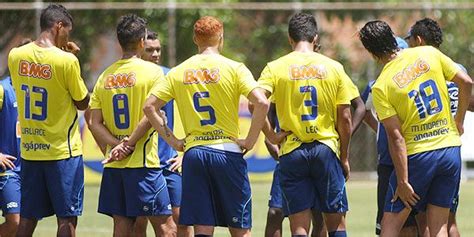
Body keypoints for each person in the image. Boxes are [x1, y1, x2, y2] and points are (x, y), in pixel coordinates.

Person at [110, 16, 269, 237]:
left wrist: (174, 141)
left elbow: (149, 107)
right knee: (239, 226)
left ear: (195, 39)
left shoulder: (179, 71)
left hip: (194, 155)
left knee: (202, 227)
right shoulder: (235, 68)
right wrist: (250, 141)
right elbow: (261, 102)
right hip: (227, 152)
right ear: (220, 37)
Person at [359, 20, 472, 236]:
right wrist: (458, 121)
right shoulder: (428, 53)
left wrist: (402, 181)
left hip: (418, 156)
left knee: (390, 225)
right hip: (450, 150)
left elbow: (396, 138)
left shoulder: (382, 85)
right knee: (439, 226)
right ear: (393, 38)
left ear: (371, 53)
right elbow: (466, 82)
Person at [259, 13, 352, 237]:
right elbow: (346, 117)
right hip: (325, 148)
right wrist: (344, 156)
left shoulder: (275, 67)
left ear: (290, 39)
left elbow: (257, 103)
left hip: (292, 150)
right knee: (335, 223)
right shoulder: (334, 67)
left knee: (299, 227)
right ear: (315, 37)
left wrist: (271, 136)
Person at [88, 14, 176, 237]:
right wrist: (129, 144)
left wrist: (116, 144)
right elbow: (151, 112)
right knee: (167, 228)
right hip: (143, 166)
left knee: (122, 226)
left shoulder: (104, 77)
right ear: (141, 42)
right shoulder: (154, 73)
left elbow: (93, 122)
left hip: (114, 167)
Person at [7, 4, 89, 236]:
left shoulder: (15, 55)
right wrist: (71, 59)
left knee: (27, 219)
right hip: (62, 153)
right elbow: (82, 102)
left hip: (31, 151)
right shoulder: (66, 61)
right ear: (58, 26)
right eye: (67, 32)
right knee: (66, 219)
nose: (67, 37)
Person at [404, 17, 471, 237]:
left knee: (426, 219)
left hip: (427, 146)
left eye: (411, 41)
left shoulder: (421, 69)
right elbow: (469, 96)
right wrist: (458, 118)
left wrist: (458, 120)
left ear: (419, 41)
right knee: (448, 219)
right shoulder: (457, 68)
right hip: (451, 149)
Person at [133, 30, 192, 237]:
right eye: (150, 50)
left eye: (158, 49)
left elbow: (192, 113)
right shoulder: (131, 78)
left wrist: (186, 151)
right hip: (141, 163)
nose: (156, 54)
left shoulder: (170, 75)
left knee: (182, 219)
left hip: (168, 162)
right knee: (138, 223)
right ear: (139, 49)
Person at [362, 37, 419, 237]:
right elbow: (363, 109)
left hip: (414, 156)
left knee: (414, 219)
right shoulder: (376, 86)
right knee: (388, 219)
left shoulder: (413, 82)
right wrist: (380, 127)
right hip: (388, 160)